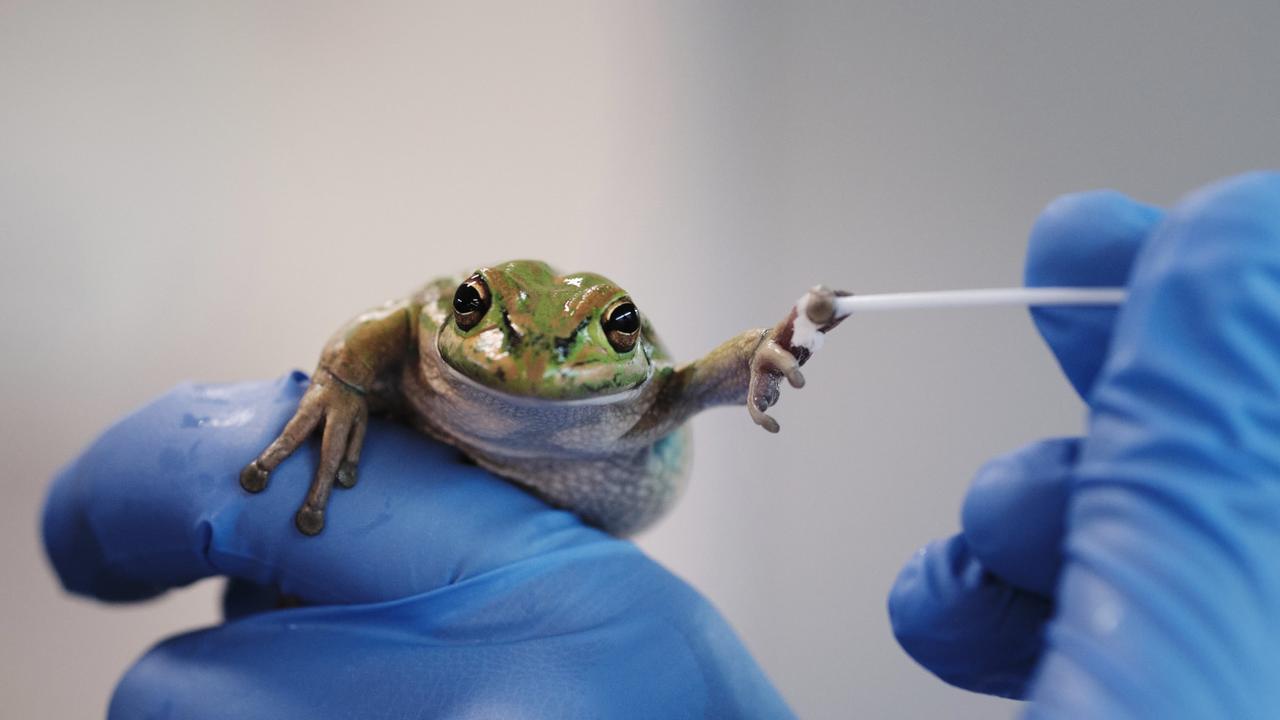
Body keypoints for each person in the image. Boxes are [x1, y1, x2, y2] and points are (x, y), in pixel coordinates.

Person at [44, 172, 1280, 718]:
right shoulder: (417, 340)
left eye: (598, 333)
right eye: (481, 319)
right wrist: (335, 385)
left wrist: (763, 355)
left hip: (596, 499)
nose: (526, 355)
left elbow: (703, 374)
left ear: (628, 345)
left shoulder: (640, 390)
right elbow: (389, 328)